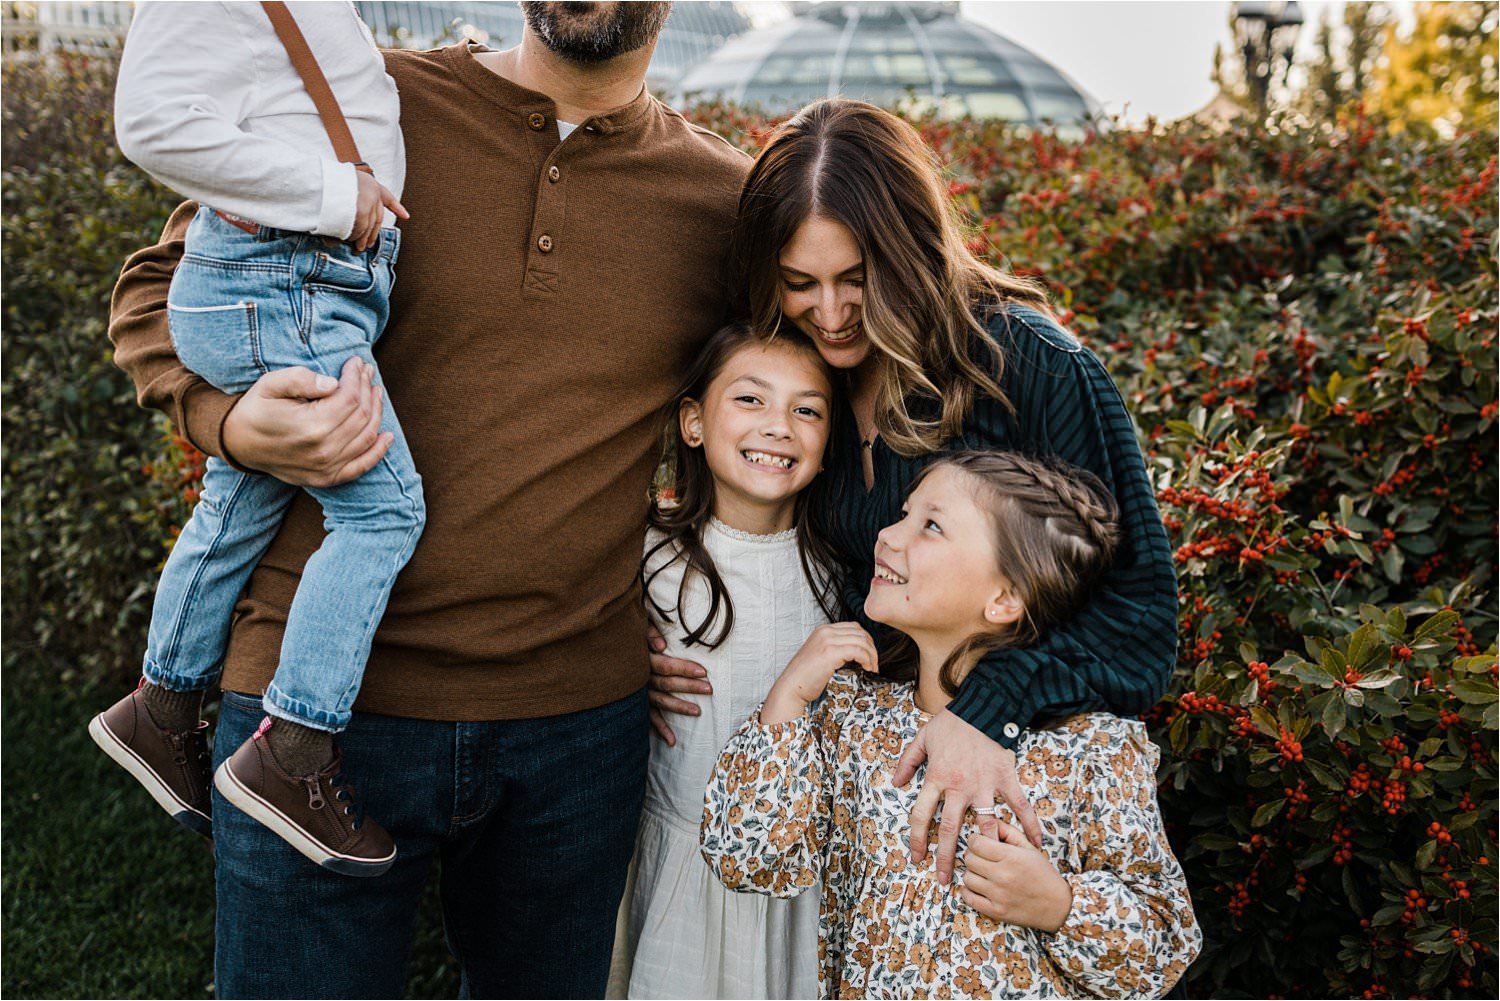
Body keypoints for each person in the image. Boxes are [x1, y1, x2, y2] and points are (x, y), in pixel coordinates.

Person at [105, 2, 751, 995]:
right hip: (310, 710)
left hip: (577, 726)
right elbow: (160, 287)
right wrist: (228, 420)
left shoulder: (721, 200)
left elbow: (781, 410)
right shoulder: (371, 104)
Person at [650, 98, 1180, 888]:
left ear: (913, 251)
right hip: (855, 807)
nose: (828, 315)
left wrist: (986, 710)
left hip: (1009, 818)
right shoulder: (803, 384)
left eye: (857, 281)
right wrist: (654, 622)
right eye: (799, 283)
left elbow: (1140, 625)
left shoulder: (1031, 368)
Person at [92, 0, 416, 876]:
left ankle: (160, 708)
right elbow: (152, 120)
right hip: (283, 280)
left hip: (292, 283)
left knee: (241, 497)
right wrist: (334, 192)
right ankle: (296, 750)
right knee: (383, 513)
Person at [701, 452, 1201, 999]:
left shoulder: (1094, 750)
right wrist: (788, 698)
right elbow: (748, 859)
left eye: (931, 526)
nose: (889, 535)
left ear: (1004, 599)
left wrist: (1060, 905)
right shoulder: (855, 716)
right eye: (904, 513)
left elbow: (1163, 950)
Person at [609, 322, 840, 998]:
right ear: (693, 422)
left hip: (799, 884)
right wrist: (629, 664)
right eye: (750, 400)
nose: (779, 426)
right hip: (681, 863)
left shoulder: (839, 575)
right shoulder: (649, 558)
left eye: (807, 409)